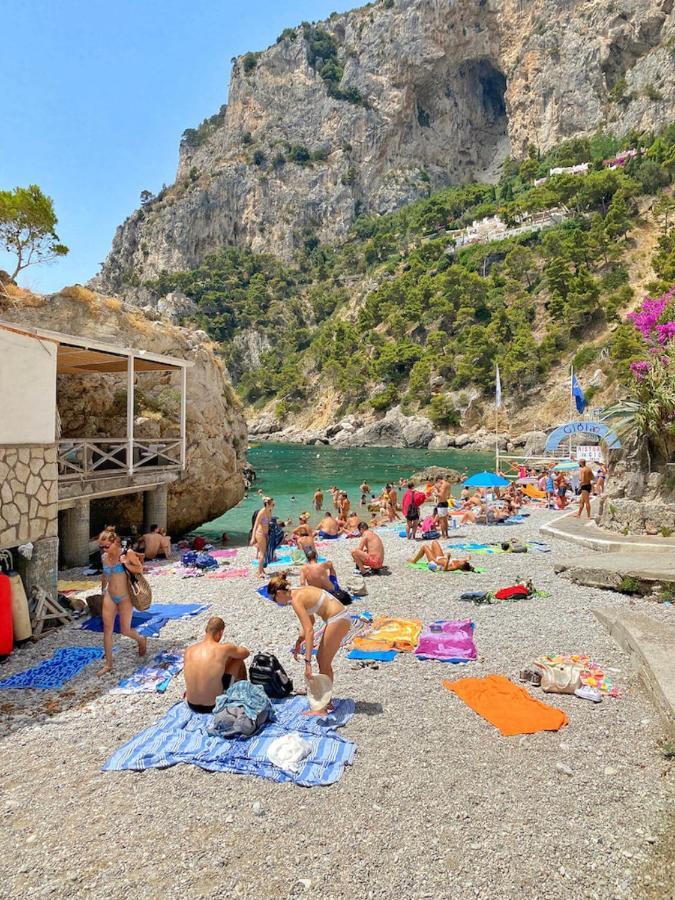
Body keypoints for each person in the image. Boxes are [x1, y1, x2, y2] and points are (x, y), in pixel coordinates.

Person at [267, 574, 351, 716]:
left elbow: (309, 631)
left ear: (280, 593)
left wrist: (307, 663)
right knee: (323, 661)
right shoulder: (297, 591)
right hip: (340, 617)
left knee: (322, 661)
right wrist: (299, 641)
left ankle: (322, 708)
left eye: (274, 599)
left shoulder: (295, 599)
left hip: (337, 618)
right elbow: (310, 621)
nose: (277, 602)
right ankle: (326, 702)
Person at [96, 528, 147, 676]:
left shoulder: (127, 553)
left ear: (115, 543)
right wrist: (102, 590)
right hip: (110, 596)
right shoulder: (105, 557)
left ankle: (141, 639)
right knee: (107, 630)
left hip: (125, 597)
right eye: (101, 547)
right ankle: (108, 664)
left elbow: (140, 569)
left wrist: (126, 564)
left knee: (125, 630)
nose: (104, 549)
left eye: (107, 546)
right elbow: (105, 575)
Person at [183, 617, 250, 714]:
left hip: (191, 704)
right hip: (213, 706)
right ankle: (243, 693)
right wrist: (236, 650)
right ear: (220, 632)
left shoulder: (189, 650)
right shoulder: (224, 648)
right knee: (237, 660)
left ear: (206, 631)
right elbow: (246, 653)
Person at [408, 541, 475, 572]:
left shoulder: (454, 567)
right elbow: (465, 561)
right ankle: (431, 553)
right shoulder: (461, 563)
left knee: (424, 547)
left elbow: (445, 569)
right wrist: (467, 558)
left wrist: (448, 559)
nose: (461, 561)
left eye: (462, 562)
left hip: (435, 561)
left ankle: (414, 561)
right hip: (441, 557)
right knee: (434, 542)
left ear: (461, 567)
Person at [251, 496, 275, 577]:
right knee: (262, 553)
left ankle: (262, 570)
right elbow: (255, 525)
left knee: (264, 552)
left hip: (265, 534)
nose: (274, 505)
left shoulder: (270, 510)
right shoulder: (262, 512)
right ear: (268, 504)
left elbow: (269, 523)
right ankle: (258, 572)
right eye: (273, 504)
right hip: (260, 533)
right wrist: (253, 537)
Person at [435, 474, 451, 538]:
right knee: (445, 520)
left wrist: (436, 492)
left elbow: (441, 495)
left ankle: (443, 535)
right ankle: (446, 534)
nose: (439, 483)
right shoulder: (448, 484)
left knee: (441, 520)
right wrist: (438, 488)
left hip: (441, 503)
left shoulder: (443, 485)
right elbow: (448, 495)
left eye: (438, 481)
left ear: (439, 480)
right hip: (445, 502)